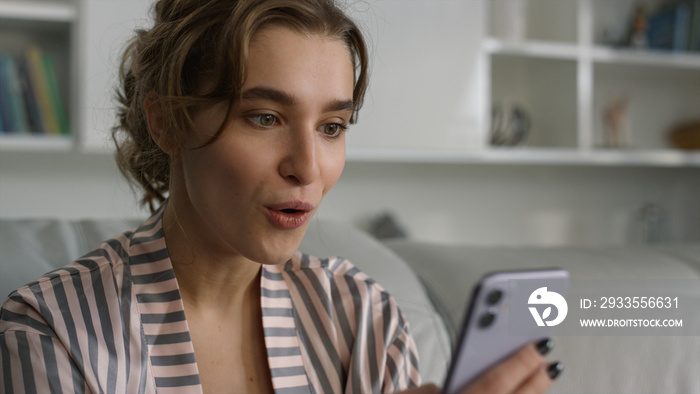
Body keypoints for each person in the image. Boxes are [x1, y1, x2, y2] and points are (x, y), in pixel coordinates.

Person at [0, 0, 562, 393]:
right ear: (168, 123)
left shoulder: (363, 317)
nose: (308, 167)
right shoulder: (53, 332)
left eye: (333, 126)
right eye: (265, 117)